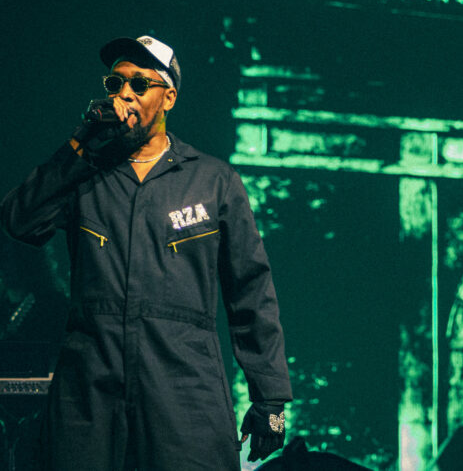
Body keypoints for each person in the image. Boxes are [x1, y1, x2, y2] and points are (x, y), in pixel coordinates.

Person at [0, 35, 292, 469]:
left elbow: (250, 291)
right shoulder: (84, 175)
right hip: (89, 391)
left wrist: (271, 399)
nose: (124, 94)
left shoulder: (213, 181)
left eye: (139, 84)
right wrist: (80, 145)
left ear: (168, 97)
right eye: (115, 83)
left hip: (184, 388)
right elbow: (19, 221)